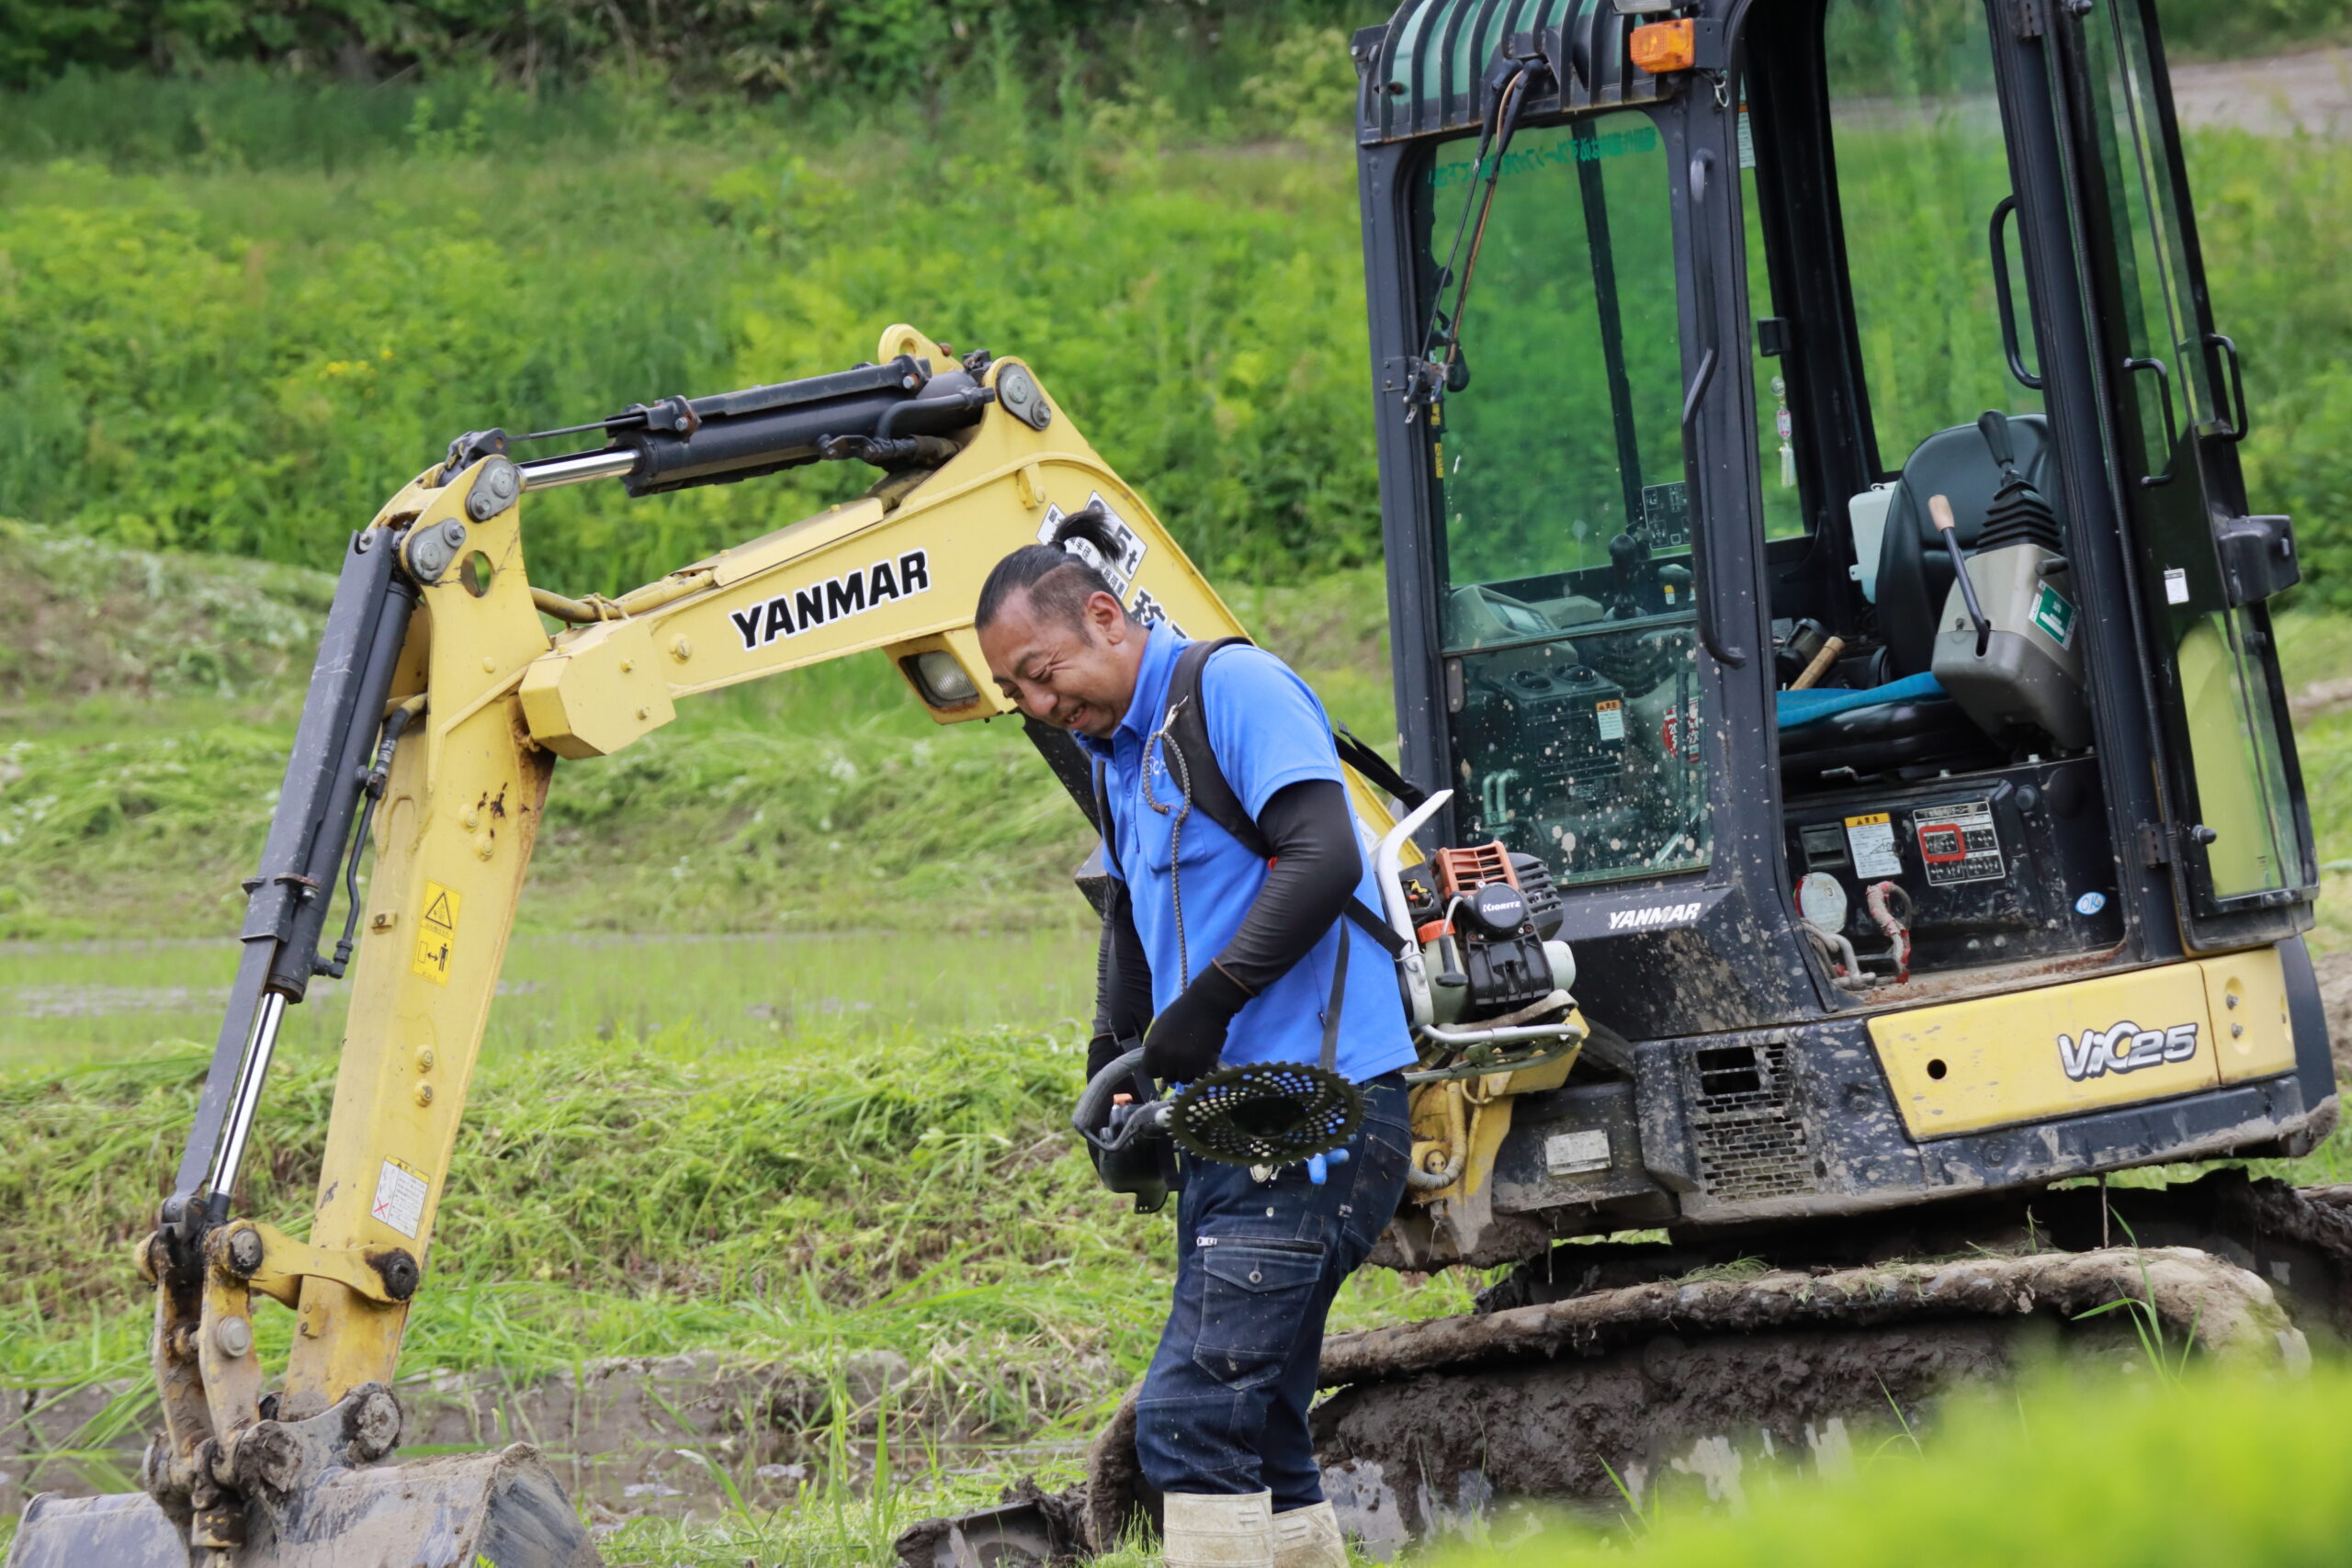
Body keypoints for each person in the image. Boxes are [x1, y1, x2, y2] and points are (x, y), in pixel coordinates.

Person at [974, 507, 1417, 1568]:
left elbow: (1319, 858)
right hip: (1236, 1126)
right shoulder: (1122, 757)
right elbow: (1133, 924)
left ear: (1102, 614)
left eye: (1044, 672)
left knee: (1188, 1420)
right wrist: (1114, 1059)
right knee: (1259, 1426)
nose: (1040, 704)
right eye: (1016, 694)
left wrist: (1207, 1003)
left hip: (1318, 1111)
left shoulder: (1232, 689)